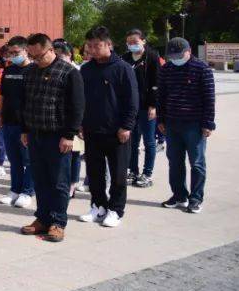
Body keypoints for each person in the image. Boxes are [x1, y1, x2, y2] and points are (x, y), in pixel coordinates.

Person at [18, 33, 84, 243]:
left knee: (58, 182)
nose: (36, 60)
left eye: (39, 56)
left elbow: (77, 106)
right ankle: (42, 218)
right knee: (40, 179)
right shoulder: (29, 72)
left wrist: (68, 135)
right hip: (35, 134)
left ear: (51, 50)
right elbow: (25, 103)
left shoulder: (69, 73)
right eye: (32, 56)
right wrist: (25, 130)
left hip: (58, 136)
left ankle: (58, 222)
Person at [78, 26, 138, 228]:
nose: (93, 50)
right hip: (92, 130)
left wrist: (126, 126)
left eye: (98, 45)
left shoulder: (123, 68)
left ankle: (115, 210)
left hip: (117, 132)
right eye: (90, 46)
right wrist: (81, 124)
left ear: (109, 45)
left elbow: (132, 101)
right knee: (94, 173)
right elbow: (81, 101)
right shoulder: (86, 70)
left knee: (119, 174)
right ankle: (98, 206)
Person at [157, 37, 215, 214]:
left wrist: (208, 124)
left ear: (188, 51)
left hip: (194, 125)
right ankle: (179, 195)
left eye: (179, 55)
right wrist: (160, 120)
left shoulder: (202, 69)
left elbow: (209, 98)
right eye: (172, 56)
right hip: (172, 123)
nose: (175, 58)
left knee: (196, 162)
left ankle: (196, 198)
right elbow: (161, 96)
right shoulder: (167, 69)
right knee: (174, 162)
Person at [0, 36, 34, 209]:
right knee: (14, 160)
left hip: (25, 124)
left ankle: (27, 191)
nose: (13, 56)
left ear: (26, 50)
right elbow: (2, 95)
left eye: (16, 52)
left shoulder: (34, 70)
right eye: (10, 53)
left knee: (29, 160)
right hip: (9, 121)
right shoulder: (8, 70)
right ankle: (14, 190)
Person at [122, 28, 160, 188]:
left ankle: (147, 173)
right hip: (131, 107)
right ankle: (133, 170)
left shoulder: (152, 57)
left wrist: (153, 105)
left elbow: (156, 83)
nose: (132, 45)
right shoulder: (125, 58)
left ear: (143, 41)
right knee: (132, 140)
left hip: (146, 107)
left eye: (135, 42)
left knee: (149, 141)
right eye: (129, 42)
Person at [54, 39, 86, 197]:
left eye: (59, 55)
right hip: (57, 121)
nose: (57, 59)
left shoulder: (76, 71)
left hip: (74, 120)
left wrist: (80, 124)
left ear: (68, 55)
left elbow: (80, 101)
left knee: (74, 155)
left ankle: (72, 184)